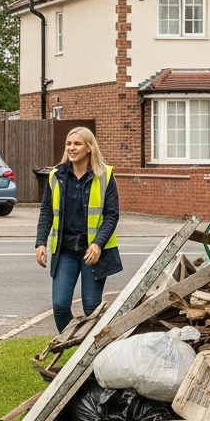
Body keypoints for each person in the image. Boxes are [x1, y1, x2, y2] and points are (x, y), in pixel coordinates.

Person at [35, 127, 122, 332]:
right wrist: (40, 242)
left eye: (77, 144)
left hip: (92, 252)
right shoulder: (56, 176)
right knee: (60, 305)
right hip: (65, 251)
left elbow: (112, 215)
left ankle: (92, 353)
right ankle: (76, 347)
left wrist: (98, 244)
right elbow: (46, 211)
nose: (71, 148)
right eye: (69, 144)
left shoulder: (105, 176)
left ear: (89, 147)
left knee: (92, 306)